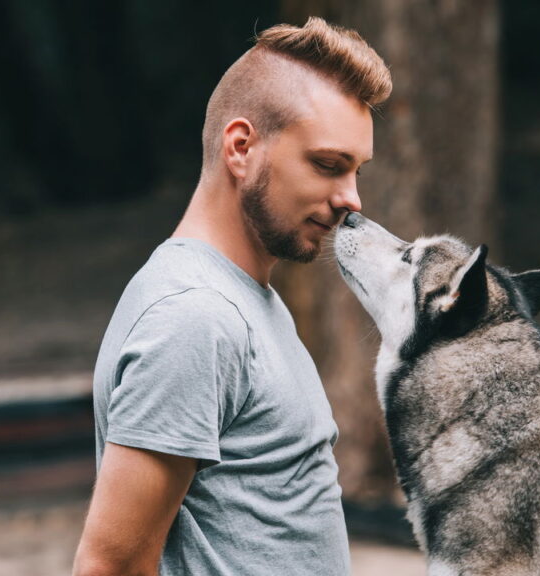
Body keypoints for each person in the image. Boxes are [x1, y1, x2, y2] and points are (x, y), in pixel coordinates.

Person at [72, 17, 392, 576]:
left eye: (356, 171)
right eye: (327, 165)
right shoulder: (195, 316)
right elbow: (110, 567)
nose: (352, 199)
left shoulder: (244, 301)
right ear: (241, 148)